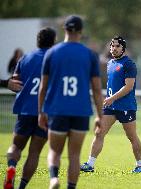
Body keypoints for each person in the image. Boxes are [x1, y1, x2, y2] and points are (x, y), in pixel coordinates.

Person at [38, 15, 103, 189]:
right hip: (81, 111)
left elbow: (43, 87)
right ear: (81, 32)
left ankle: (53, 179)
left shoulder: (52, 53)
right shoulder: (89, 55)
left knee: (54, 152)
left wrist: (41, 112)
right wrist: (100, 115)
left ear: (65, 30)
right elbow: (97, 89)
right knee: (74, 155)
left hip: (57, 110)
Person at [80, 36, 141, 173]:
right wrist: (110, 100)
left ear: (123, 48)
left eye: (117, 46)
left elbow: (128, 87)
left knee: (132, 137)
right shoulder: (110, 63)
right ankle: (90, 164)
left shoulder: (129, 64)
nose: (114, 48)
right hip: (110, 107)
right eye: (112, 46)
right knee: (99, 133)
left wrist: (112, 98)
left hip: (126, 107)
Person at [3, 27, 56, 189]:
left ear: (37, 41)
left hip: (25, 110)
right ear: (53, 41)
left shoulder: (25, 58)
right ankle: (21, 187)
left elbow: (15, 84)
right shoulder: (55, 60)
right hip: (45, 113)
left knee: (15, 147)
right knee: (34, 153)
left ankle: (11, 166)